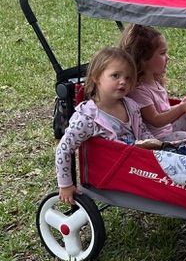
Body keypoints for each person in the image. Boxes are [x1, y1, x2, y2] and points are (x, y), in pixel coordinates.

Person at [55, 47, 155, 204]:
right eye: (115, 76)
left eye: (128, 78)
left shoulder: (131, 106)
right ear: (96, 77)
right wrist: (65, 184)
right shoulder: (87, 117)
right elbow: (64, 148)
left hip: (139, 165)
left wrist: (155, 147)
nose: (123, 81)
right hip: (115, 171)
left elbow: (143, 132)